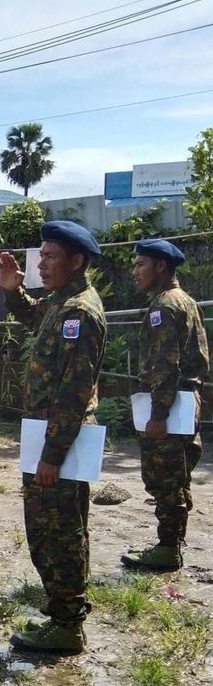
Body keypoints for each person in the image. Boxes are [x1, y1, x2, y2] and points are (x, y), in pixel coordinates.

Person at [0, 221, 106, 655]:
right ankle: (64, 611)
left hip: (58, 438)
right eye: (39, 256)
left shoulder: (79, 312)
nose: (41, 264)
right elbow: (33, 316)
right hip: (47, 433)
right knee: (53, 529)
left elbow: (73, 391)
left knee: (57, 532)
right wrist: (11, 291)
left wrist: (52, 454)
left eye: (51, 257)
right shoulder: (61, 304)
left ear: (76, 261)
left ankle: (66, 625)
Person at [121, 238, 209, 572]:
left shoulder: (164, 306)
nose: (135, 272)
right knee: (177, 475)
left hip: (171, 403)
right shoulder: (184, 300)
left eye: (141, 264)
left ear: (161, 266)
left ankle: (168, 548)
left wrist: (158, 414)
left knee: (164, 477)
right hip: (186, 399)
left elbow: (164, 364)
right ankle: (171, 543)